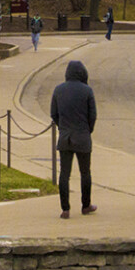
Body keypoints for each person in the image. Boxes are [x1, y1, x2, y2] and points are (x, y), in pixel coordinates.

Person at [49, 60, 97, 218]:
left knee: (64, 173)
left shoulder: (58, 90)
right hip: (82, 135)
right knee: (85, 172)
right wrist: (88, 129)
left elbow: (54, 113)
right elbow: (92, 115)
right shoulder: (87, 91)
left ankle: (65, 208)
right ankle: (85, 205)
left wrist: (62, 127)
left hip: (65, 136)